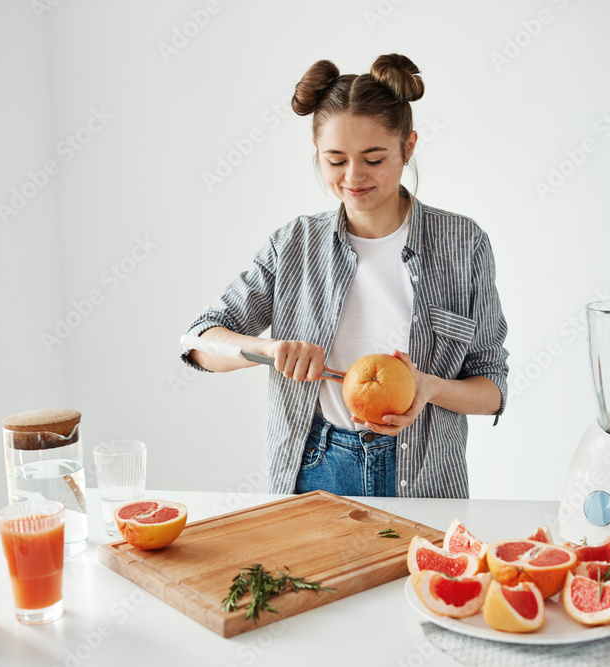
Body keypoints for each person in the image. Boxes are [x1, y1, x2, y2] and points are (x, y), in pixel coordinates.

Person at [180, 54, 508, 498]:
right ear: (317, 153)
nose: (354, 177)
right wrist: (268, 349)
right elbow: (199, 342)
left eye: (374, 159)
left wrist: (428, 388)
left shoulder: (463, 243)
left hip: (425, 477)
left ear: (408, 147)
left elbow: (491, 387)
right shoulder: (294, 243)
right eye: (335, 161)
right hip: (314, 466)